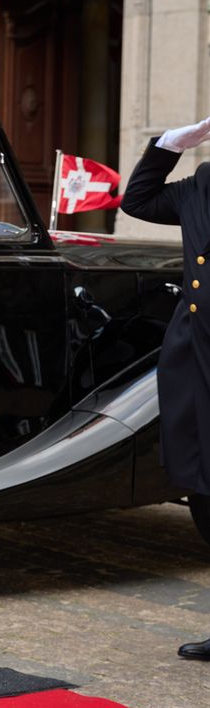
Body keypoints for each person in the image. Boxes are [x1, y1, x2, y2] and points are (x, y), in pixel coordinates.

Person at [121, 116, 210, 660]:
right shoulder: (201, 183)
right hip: (195, 359)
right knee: (201, 488)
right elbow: (138, 201)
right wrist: (168, 147)